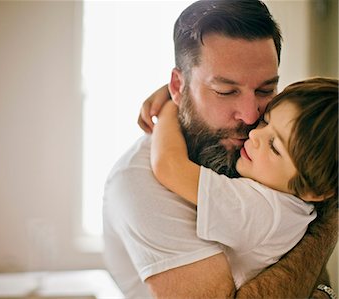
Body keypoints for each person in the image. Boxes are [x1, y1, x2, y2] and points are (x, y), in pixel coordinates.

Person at [103, 0, 338, 298]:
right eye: (225, 91)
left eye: (266, 90)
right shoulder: (141, 184)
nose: (252, 118)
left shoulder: (275, 153)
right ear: (178, 86)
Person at [150, 77, 338, 289]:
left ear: (315, 190)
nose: (255, 133)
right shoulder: (295, 205)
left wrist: (171, 106)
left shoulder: (261, 209)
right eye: (266, 121)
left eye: (274, 146)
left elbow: (169, 166)